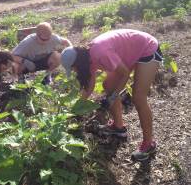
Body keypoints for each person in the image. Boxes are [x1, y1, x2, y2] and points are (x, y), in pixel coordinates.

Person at [60, 29, 163, 161]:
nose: (74, 71)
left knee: (138, 97)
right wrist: (75, 109)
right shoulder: (87, 58)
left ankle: (149, 144)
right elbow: (89, 87)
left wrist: (113, 97)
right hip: (130, 51)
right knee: (108, 85)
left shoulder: (100, 53)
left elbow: (124, 74)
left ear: (78, 62)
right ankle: (119, 127)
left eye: (73, 68)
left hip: (146, 48)